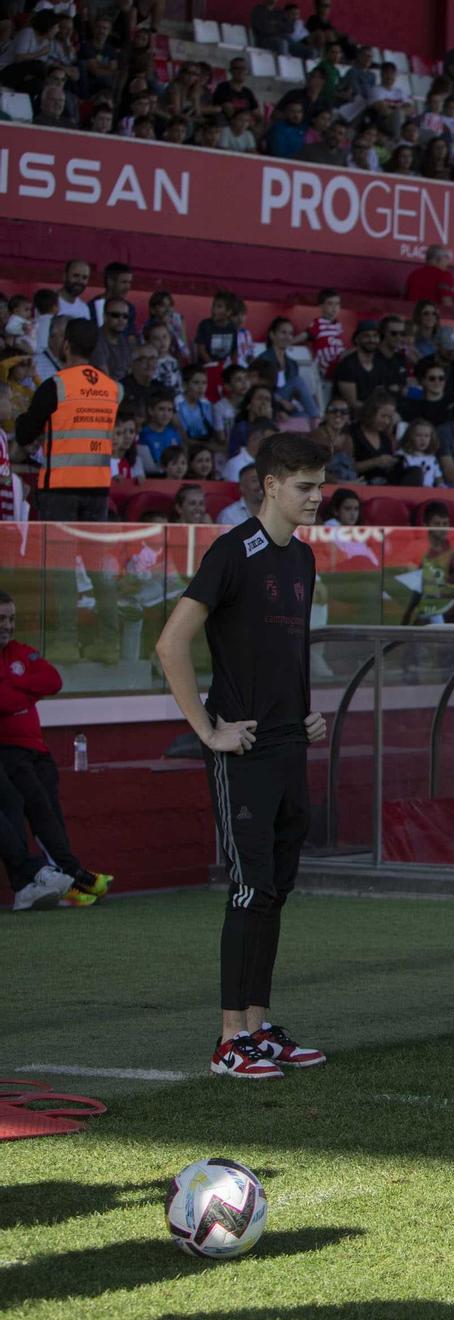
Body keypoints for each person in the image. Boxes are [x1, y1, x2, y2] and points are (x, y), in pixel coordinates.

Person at [155, 432, 332, 1080]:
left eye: (320, 485)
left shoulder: (303, 560)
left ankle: (257, 1028)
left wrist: (307, 712)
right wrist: (207, 730)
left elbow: (288, 652)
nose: (317, 497)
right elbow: (171, 644)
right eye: (305, 487)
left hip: (290, 743)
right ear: (269, 485)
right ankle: (229, 1039)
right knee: (249, 887)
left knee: (275, 890)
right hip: (245, 749)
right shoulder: (232, 552)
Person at [0, 590, 111, 907]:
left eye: (10, 619)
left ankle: (69, 879)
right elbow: (4, 701)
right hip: (10, 752)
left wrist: (11, 684)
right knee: (36, 809)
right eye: (1, 619)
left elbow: (52, 679)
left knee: (51, 812)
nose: (6, 626)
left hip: (39, 750)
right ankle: (70, 877)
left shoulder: (20, 651)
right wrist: (25, 693)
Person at [17, 320, 119, 520]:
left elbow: (24, 435)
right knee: (91, 551)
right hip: (98, 488)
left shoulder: (55, 386)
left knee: (58, 552)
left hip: (60, 488)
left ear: (66, 345)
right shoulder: (111, 388)